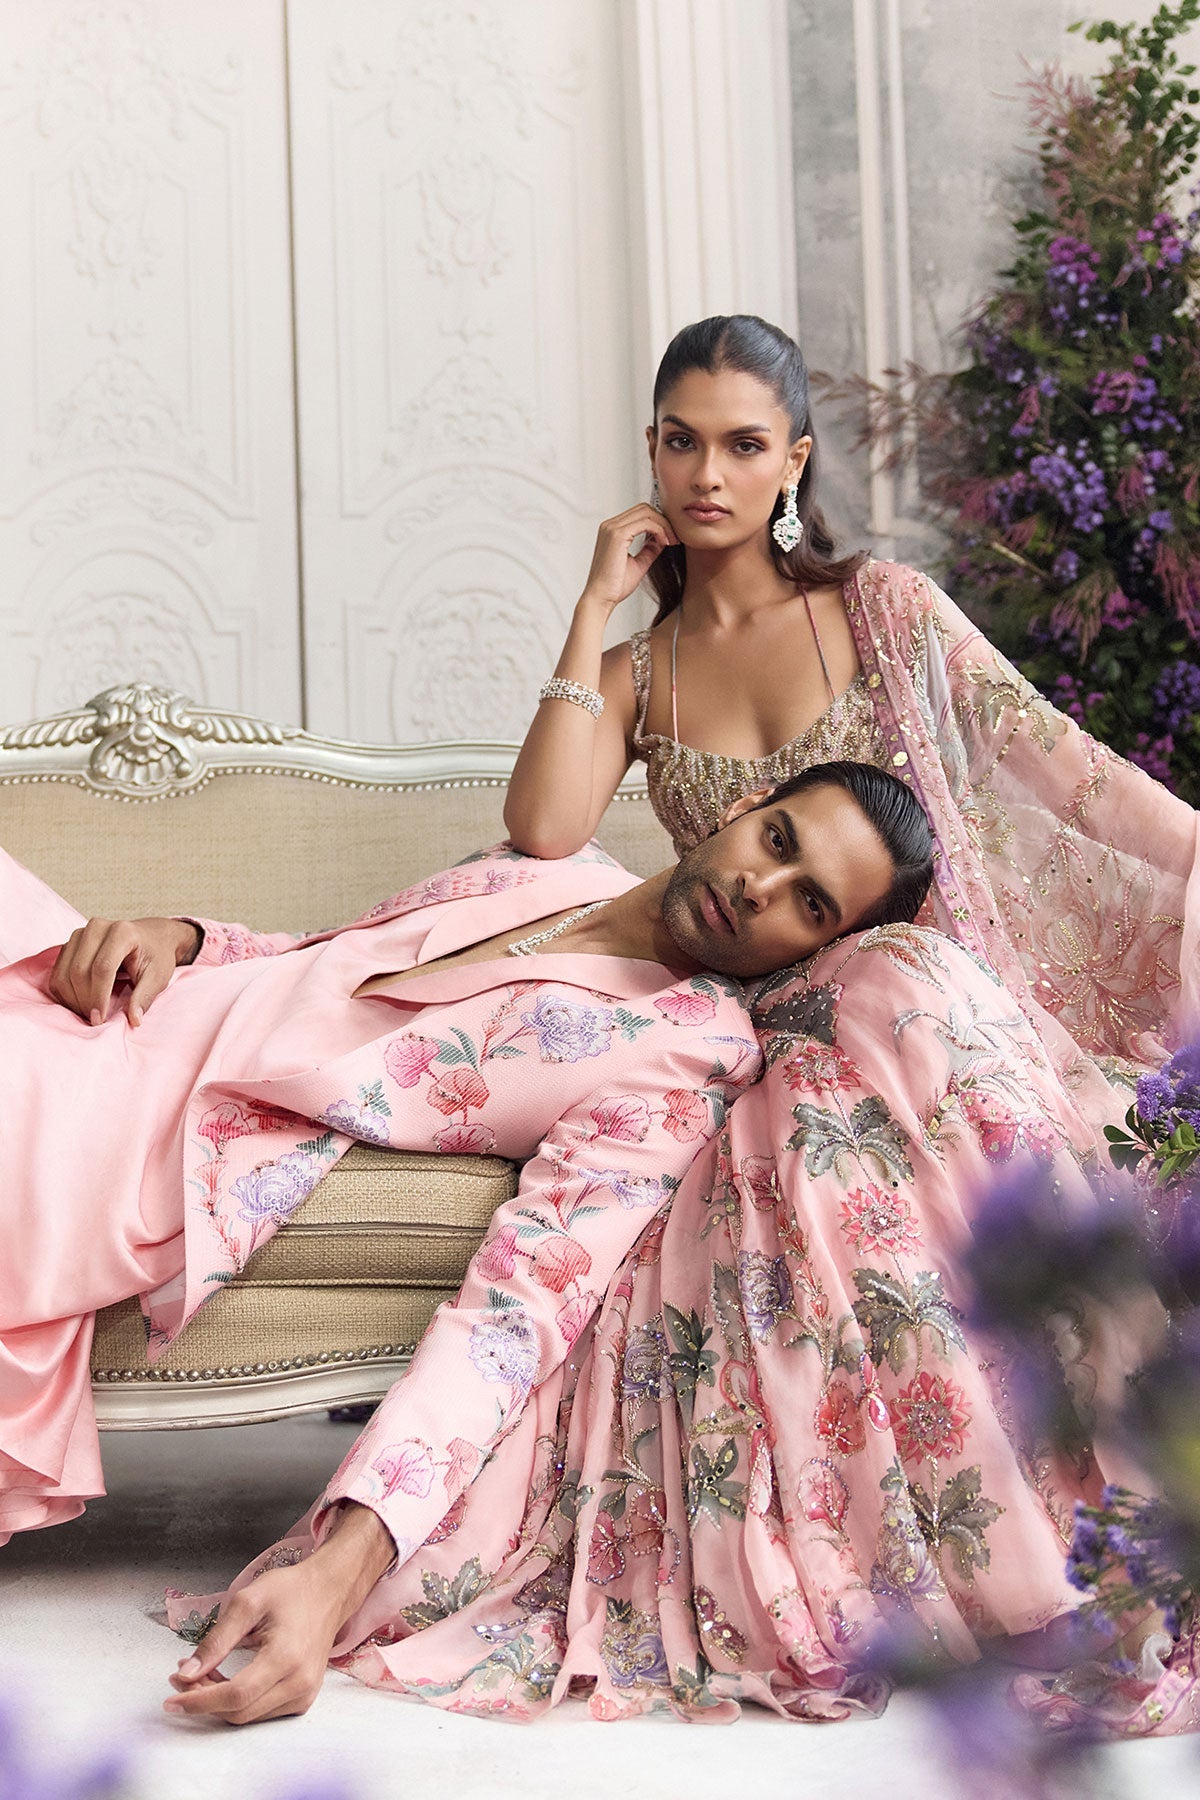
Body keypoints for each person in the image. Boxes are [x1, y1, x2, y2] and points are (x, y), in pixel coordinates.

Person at [160, 318, 1198, 1732]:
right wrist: (594, 606)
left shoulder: (883, 611)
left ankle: (1093, 1512)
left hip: (917, 1029)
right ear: (650, 450)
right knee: (813, 1101)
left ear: (795, 462)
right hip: (746, 1044)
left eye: (743, 445)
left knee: (910, 991)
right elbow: (545, 831)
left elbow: (1069, 779)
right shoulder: (642, 670)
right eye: (680, 441)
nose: (708, 475)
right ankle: (945, 1560)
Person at [2, 759, 926, 1548]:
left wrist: (357, 1545)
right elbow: (330, 954)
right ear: (744, 807)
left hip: (166, 1119)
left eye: (809, 902)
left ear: (822, 947)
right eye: (777, 840)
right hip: (131, 1008)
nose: (762, 888)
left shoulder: (693, 1050)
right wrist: (183, 938)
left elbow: (526, 1304)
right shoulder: (555, 866)